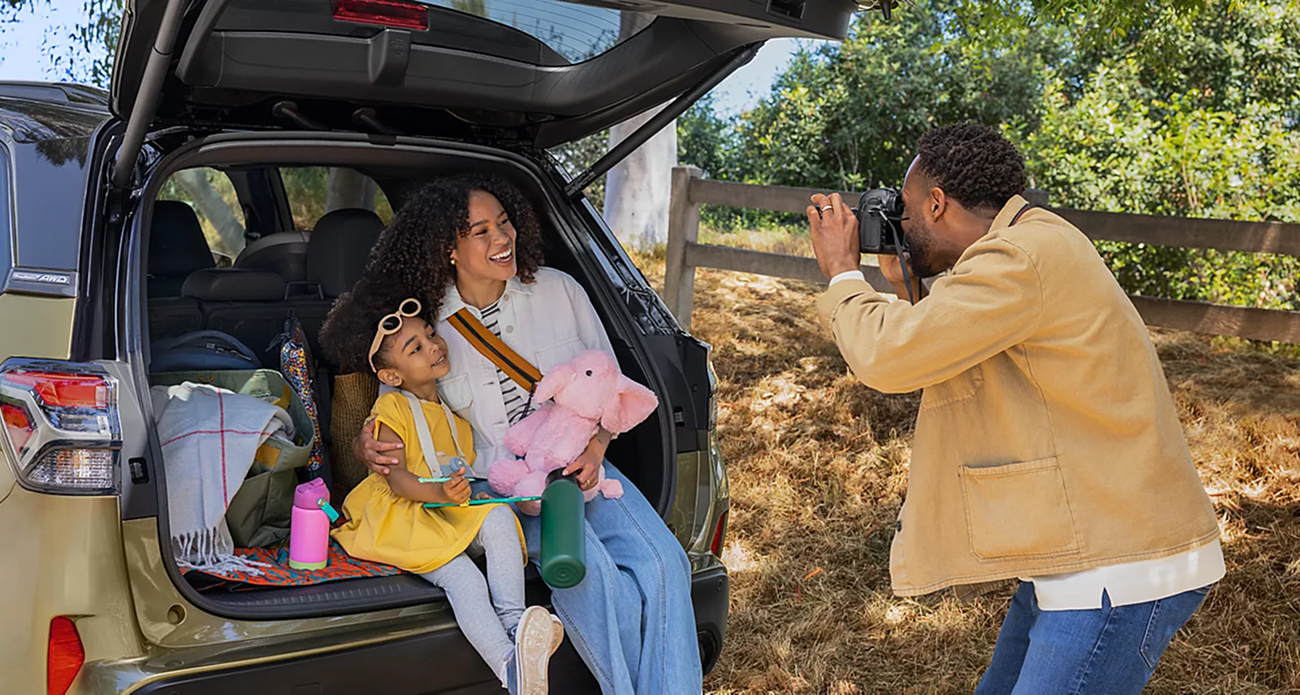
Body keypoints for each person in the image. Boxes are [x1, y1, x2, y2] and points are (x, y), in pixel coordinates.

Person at [806, 122, 1224, 694]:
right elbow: (954, 348)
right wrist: (909, 287)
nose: (900, 225)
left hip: (1119, 563)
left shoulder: (1019, 259)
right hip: (1076, 543)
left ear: (936, 202)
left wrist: (841, 273)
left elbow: (889, 359)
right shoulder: (1028, 241)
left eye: (905, 212)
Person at [350, 174, 702, 695]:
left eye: (505, 223)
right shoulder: (431, 329)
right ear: (449, 249)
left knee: (664, 564)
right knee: (595, 578)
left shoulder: (562, 290)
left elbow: (609, 385)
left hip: (586, 467)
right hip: (505, 493)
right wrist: (365, 445)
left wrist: (597, 447)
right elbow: (397, 410)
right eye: (481, 231)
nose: (502, 238)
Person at [320, 292, 563, 694]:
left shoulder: (454, 421)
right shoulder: (391, 412)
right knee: (464, 580)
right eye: (416, 348)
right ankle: (510, 665)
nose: (433, 346)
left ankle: (517, 630)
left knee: (499, 517)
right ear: (392, 376)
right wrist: (444, 493)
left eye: (430, 335)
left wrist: (460, 495)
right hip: (400, 515)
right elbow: (397, 481)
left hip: (437, 506)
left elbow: (453, 470)